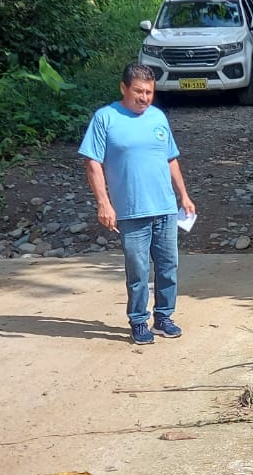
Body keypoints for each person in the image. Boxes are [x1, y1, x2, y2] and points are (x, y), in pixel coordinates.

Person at [79, 64, 196, 345]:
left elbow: (170, 158)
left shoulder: (158, 117)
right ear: (124, 88)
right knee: (138, 270)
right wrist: (104, 203)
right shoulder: (105, 118)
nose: (144, 98)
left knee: (168, 266)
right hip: (131, 211)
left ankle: (164, 317)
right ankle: (139, 321)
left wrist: (184, 195)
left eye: (149, 92)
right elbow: (93, 163)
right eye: (138, 91)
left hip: (165, 208)